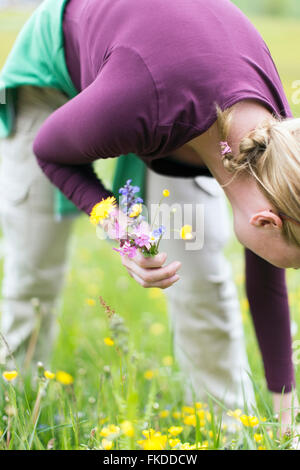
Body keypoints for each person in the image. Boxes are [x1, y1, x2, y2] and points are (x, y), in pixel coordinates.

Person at [0, 0, 298, 431]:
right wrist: (120, 230)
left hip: (166, 99)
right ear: (265, 221)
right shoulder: (144, 101)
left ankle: (229, 430)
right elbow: (50, 150)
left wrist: (287, 412)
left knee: (201, 276)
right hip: (58, 78)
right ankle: (14, 417)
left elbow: (267, 278)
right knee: (35, 270)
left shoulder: (279, 148)